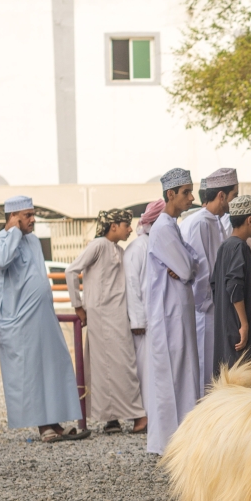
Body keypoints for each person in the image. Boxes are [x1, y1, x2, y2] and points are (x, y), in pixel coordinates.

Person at [0, 196, 89, 442]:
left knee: (54, 367)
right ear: (13, 217)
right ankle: (44, 427)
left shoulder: (32, 241)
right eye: (27, 215)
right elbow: (0, 261)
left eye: (33, 214)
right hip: (20, 321)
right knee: (33, 373)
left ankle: (55, 422)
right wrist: (13, 233)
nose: (33, 220)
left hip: (43, 317)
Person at [66, 209, 147, 434]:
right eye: (126, 224)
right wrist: (78, 306)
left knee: (117, 366)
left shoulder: (119, 250)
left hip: (118, 315)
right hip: (102, 315)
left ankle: (113, 419)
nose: (130, 229)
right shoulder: (98, 245)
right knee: (116, 366)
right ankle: (138, 416)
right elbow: (71, 271)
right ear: (113, 226)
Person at [145, 168, 201, 455]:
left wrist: (187, 267)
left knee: (184, 375)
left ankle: (182, 438)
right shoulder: (164, 228)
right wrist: (187, 267)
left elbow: (194, 263)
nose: (192, 197)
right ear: (171, 194)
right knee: (171, 378)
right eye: (187, 192)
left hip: (178, 314)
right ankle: (169, 442)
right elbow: (186, 267)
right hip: (167, 317)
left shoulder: (172, 226)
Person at [181, 167, 239, 393]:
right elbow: (201, 269)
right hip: (205, 310)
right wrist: (208, 305)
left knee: (215, 369)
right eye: (233, 196)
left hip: (216, 308)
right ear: (222, 195)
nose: (234, 202)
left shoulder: (215, 222)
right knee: (205, 370)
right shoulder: (200, 223)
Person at [212, 195, 251, 374]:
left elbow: (215, 285)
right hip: (239, 331)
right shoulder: (239, 247)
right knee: (246, 383)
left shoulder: (225, 247)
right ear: (250, 220)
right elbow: (234, 286)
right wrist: (244, 324)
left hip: (227, 326)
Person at [123, 200, 165, 413]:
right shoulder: (137, 247)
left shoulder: (160, 244)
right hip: (145, 322)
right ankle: (147, 415)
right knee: (146, 370)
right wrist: (138, 320)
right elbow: (131, 285)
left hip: (161, 317)